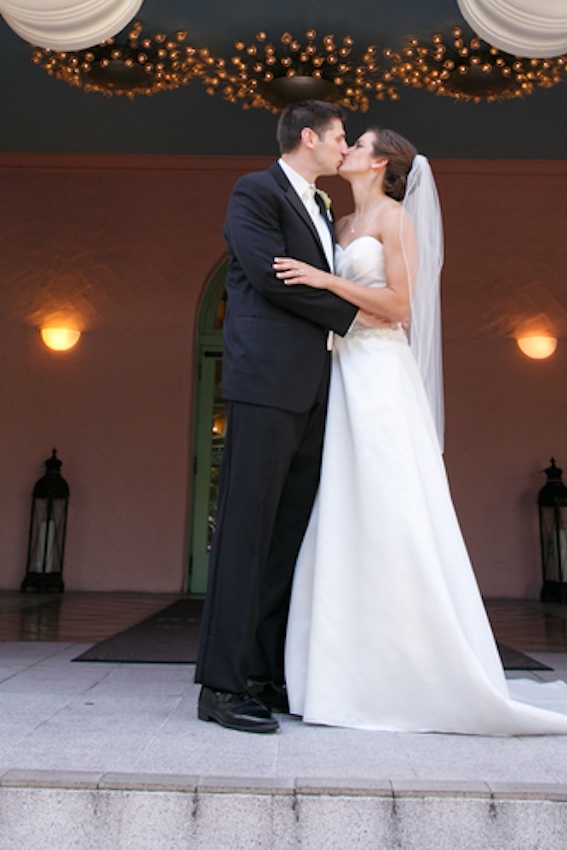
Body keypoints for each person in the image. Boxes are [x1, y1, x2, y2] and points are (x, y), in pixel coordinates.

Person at [274, 127, 567, 735]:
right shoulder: (337, 225)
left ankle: (415, 669)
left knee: (393, 509)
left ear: (383, 163)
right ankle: (337, 674)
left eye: (358, 144)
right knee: (341, 510)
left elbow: (400, 306)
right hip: (341, 374)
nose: (348, 151)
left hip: (382, 375)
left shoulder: (396, 220)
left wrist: (325, 282)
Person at [194, 100, 359, 734]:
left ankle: (263, 671)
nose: (345, 148)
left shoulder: (321, 206)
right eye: (340, 137)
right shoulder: (255, 191)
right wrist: (351, 312)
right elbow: (270, 278)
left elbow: (306, 277)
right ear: (309, 138)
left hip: (315, 392)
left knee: (286, 538)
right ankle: (221, 686)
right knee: (243, 533)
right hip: (264, 386)